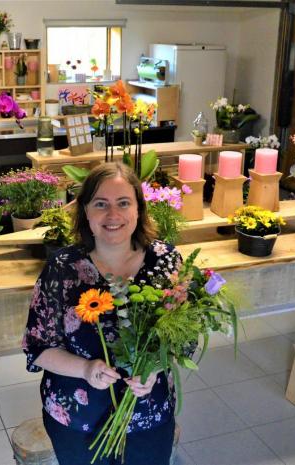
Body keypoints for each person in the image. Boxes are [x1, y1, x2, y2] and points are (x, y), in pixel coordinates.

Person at [22, 162, 180, 465]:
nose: (113, 215)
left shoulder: (166, 261)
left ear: (138, 209)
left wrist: (155, 368)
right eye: (100, 204)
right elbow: (37, 348)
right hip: (78, 420)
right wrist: (85, 369)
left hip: (148, 414)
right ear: (85, 212)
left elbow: (182, 339)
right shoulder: (62, 268)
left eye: (123, 203)